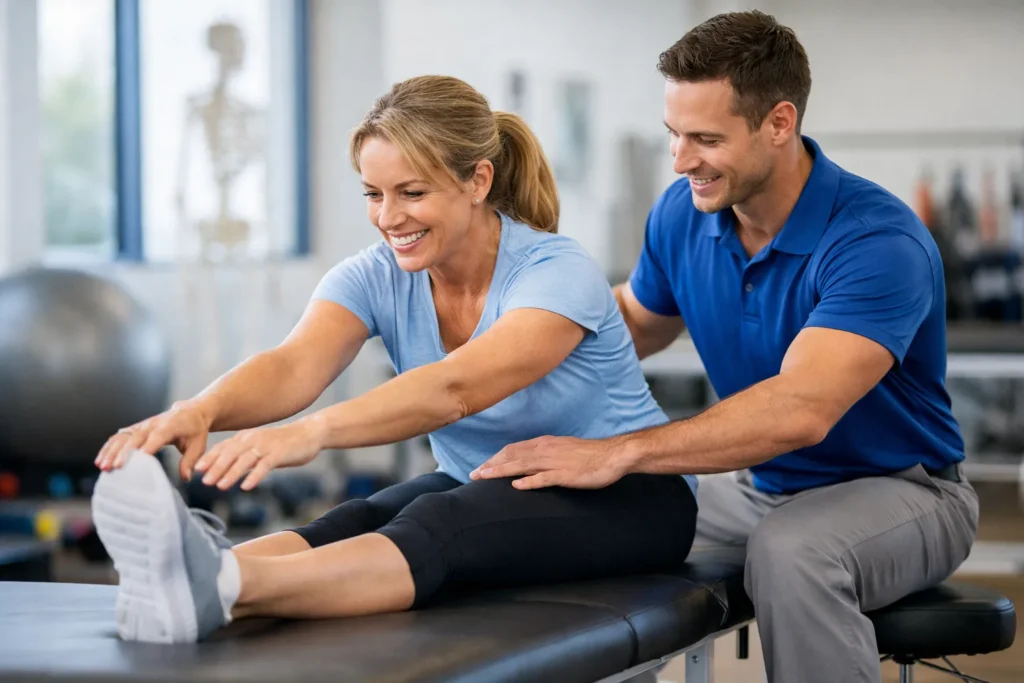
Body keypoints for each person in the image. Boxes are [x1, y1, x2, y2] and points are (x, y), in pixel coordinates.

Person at [90, 74, 699, 644]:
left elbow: (455, 388)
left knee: (440, 525)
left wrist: (313, 433)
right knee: (355, 518)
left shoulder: (555, 271)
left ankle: (222, 587)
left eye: (412, 193)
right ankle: (182, 574)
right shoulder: (376, 274)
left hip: (629, 496)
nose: (388, 218)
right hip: (485, 481)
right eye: (373, 194)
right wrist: (202, 409)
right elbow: (294, 364)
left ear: (478, 182)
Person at [472, 11, 978, 683]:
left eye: (705, 139)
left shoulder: (876, 240)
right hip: (760, 486)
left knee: (794, 550)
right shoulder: (684, 212)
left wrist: (620, 449)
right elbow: (631, 322)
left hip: (902, 491)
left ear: (779, 123)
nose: (681, 161)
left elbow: (801, 408)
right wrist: (494, 357)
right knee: (601, 520)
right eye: (674, 135)